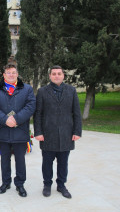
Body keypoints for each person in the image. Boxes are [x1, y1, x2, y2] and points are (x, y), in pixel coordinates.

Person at [33, 65, 82, 199]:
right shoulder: (42, 91)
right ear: (50, 76)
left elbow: (76, 113)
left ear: (63, 76)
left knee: (63, 162)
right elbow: (38, 114)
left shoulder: (71, 91)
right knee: (47, 162)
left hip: (66, 133)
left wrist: (77, 131)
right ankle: (47, 184)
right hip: (48, 134)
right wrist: (38, 132)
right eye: (53, 74)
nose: (56, 76)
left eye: (59, 74)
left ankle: (61, 185)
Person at [0, 64, 36, 197]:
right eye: (8, 73)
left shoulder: (26, 89)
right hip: (4, 130)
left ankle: (20, 184)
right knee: (4, 159)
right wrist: (5, 119)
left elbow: (31, 106)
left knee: (20, 159)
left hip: (20, 130)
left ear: (17, 74)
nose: (11, 75)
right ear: (4, 75)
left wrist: (16, 119)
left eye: (13, 72)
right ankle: (6, 182)